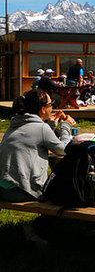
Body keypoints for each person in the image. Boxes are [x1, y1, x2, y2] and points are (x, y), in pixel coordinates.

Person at [0, 89, 75, 247]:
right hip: (22, 189)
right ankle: (35, 230)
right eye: (50, 105)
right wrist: (66, 127)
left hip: (4, 186)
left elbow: (32, 135)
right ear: (42, 109)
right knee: (67, 193)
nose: (52, 108)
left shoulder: (16, 123)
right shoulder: (41, 129)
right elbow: (63, 149)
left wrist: (49, 125)